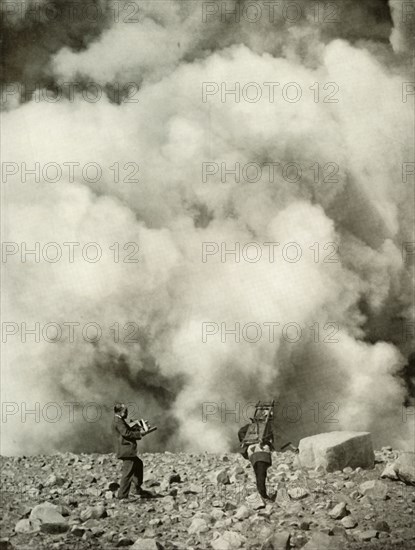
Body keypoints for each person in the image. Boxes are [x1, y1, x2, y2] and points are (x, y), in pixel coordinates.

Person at [112, 402, 151, 500]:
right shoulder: (118, 421)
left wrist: (138, 427)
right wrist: (140, 433)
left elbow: (127, 430)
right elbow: (126, 433)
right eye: (126, 411)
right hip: (126, 450)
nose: (127, 413)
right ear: (121, 412)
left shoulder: (119, 420)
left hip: (127, 450)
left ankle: (136, 489)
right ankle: (122, 496)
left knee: (138, 464)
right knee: (127, 474)